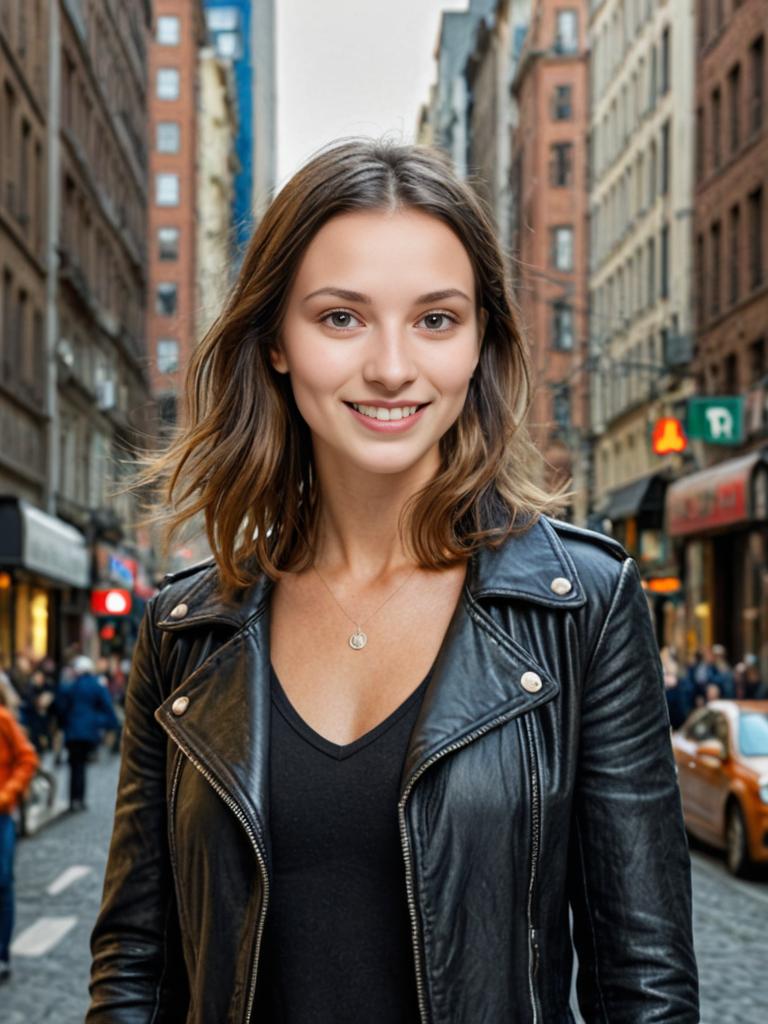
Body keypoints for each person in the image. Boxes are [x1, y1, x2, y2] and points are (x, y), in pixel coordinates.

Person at [86, 139, 698, 1022]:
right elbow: (135, 966)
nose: (392, 367)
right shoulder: (186, 629)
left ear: (481, 338)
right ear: (274, 343)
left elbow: (643, 981)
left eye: (436, 320)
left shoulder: (584, 607)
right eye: (341, 317)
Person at [0, 685, 39, 983]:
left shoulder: (3, 720)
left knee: (2, 883)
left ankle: (1, 954)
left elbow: (27, 759)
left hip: (1, 817)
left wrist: (7, 795)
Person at [56, 656, 119, 812]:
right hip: (88, 731)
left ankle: (73, 799)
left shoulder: (71, 685)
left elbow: (61, 708)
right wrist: (103, 723)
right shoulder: (96, 685)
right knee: (82, 765)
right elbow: (107, 707)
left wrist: (63, 724)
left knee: (74, 765)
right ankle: (80, 799)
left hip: (72, 731)